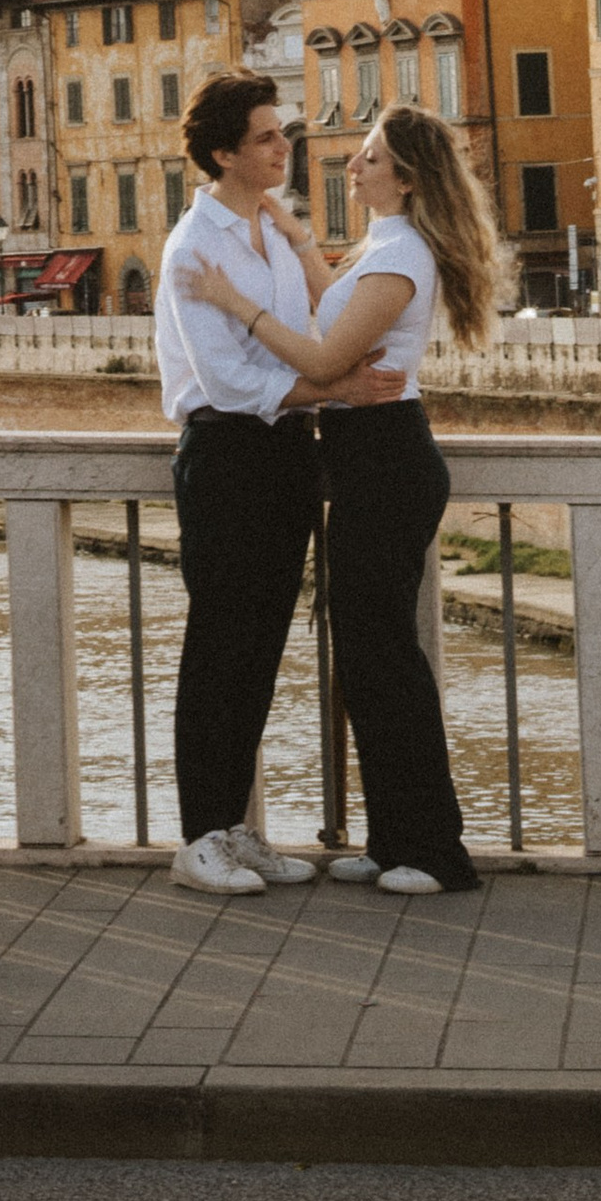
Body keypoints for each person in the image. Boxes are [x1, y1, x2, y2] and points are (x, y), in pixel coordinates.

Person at [187, 103, 492, 893]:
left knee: (385, 659)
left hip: (387, 462)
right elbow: (335, 308)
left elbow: (324, 361)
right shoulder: (387, 244)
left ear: (408, 178)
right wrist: (294, 237)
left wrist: (235, 302)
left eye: (370, 158)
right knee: (366, 657)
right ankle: (393, 841)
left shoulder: (404, 253)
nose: (351, 166)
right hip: (366, 461)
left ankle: (435, 851)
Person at [154, 72, 402, 896]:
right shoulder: (195, 248)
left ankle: (232, 828)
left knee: (260, 649)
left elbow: (316, 329)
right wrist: (332, 387)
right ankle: (199, 838)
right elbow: (225, 382)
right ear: (223, 154)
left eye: (281, 133)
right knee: (218, 648)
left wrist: (298, 246)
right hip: (226, 455)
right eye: (265, 137)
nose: (282, 147)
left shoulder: (269, 231)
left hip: (287, 452)